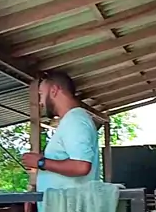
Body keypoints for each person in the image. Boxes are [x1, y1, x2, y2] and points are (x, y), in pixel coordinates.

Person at [22, 70, 100, 204]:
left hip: (70, 209)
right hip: (65, 208)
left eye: (41, 94)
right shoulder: (72, 120)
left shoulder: (75, 121)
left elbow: (81, 166)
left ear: (54, 90)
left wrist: (41, 163)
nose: (40, 102)